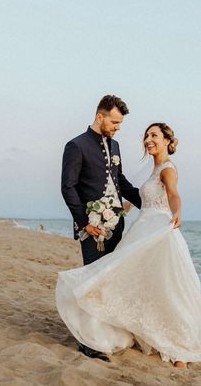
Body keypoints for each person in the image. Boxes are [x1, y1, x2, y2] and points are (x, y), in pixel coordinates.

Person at [56, 123, 201, 368]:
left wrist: (178, 212)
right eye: (146, 135)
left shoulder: (167, 169)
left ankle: (181, 350)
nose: (148, 139)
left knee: (168, 285)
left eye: (154, 135)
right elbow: (139, 197)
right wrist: (116, 211)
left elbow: (174, 194)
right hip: (143, 228)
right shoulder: (152, 170)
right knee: (144, 282)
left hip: (159, 231)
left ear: (167, 140)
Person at [60, 94, 143, 360]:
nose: (118, 127)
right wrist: (84, 222)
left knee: (110, 282)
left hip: (116, 226)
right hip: (92, 228)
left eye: (120, 123)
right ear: (100, 116)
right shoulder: (76, 146)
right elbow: (68, 187)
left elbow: (122, 182)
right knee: (91, 283)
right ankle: (88, 342)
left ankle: (104, 331)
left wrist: (149, 203)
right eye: (115, 121)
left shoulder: (115, 146)